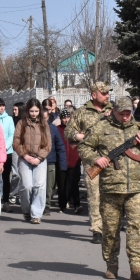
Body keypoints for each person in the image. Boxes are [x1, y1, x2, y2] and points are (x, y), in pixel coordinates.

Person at [78, 96, 140, 280]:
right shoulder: (101, 128)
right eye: (122, 113)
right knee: (111, 229)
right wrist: (95, 159)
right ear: (114, 111)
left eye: (128, 113)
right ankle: (111, 264)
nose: (125, 117)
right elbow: (83, 147)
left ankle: (136, 267)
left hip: (137, 187)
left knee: (136, 227)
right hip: (111, 188)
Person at [65, 82, 112, 244]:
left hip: (113, 160)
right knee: (94, 195)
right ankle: (97, 229)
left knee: (111, 195)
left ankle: (110, 226)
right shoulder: (83, 112)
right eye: (103, 93)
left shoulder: (114, 110)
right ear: (94, 95)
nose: (107, 95)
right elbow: (69, 131)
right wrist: (80, 137)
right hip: (91, 160)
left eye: (108, 93)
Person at [13, 99, 51, 224]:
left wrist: (39, 158)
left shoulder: (44, 124)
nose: (34, 114)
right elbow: (16, 142)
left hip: (40, 159)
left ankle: (36, 214)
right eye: (31, 111)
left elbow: (48, 145)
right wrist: (25, 155)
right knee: (27, 185)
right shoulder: (21, 123)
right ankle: (26, 210)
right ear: (27, 111)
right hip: (25, 158)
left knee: (39, 186)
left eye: (36, 111)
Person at [41, 101, 67, 215]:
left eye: (46, 117)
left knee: (49, 186)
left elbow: (60, 146)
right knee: (37, 186)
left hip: (50, 161)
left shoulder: (53, 129)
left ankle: (46, 205)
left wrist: (62, 164)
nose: (44, 119)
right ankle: (36, 205)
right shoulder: (33, 128)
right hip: (36, 161)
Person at [0, 98, 16, 212]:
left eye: (3, 105)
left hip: (7, 152)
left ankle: (6, 201)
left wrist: (5, 147)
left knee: (6, 177)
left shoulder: (9, 119)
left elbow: (11, 134)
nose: (1, 108)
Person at [58, 109, 82, 213]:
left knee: (74, 184)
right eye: (64, 118)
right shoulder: (57, 129)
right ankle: (62, 205)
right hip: (62, 161)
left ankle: (77, 204)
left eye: (68, 117)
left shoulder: (76, 130)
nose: (66, 120)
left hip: (74, 160)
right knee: (62, 185)